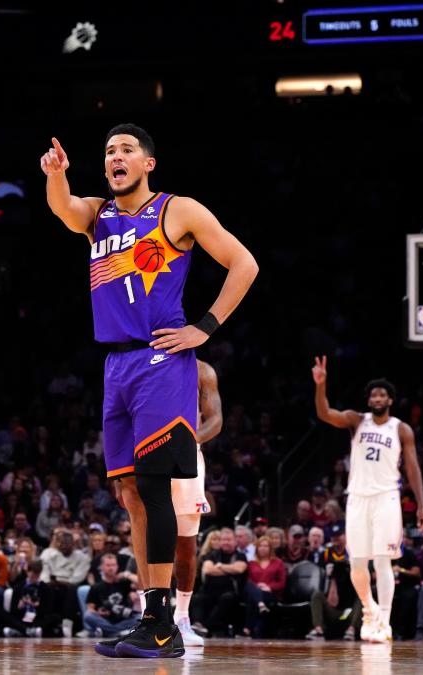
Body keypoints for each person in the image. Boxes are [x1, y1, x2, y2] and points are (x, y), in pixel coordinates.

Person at [42, 123, 258, 659]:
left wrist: (203, 328)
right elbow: (63, 208)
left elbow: (244, 263)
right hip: (116, 365)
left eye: (126, 150)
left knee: (156, 488)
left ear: (148, 164)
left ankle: (164, 625)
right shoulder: (98, 214)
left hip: (162, 360)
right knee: (130, 494)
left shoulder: (177, 209)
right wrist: (57, 175)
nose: (115, 157)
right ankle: (151, 615)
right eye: (109, 151)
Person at [312, 361, 423, 642]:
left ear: (390, 400)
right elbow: (325, 413)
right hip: (357, 499)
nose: (377, 399)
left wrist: (422, 505)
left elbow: (412, 468)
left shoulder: (401, 429)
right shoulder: (356, 420)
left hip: (386, 497)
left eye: (382, 395)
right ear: (369, 400)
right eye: (373, 395)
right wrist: (320, 385)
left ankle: (384, 621)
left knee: (383, 562)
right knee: (357, 565)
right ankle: (368, 610)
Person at [170, 359, 222, 646]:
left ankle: (182, 617)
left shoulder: (202, 370)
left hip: (189, 457)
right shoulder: (142, 361)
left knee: (187, 546)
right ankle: (149, 617)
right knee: (149, 539)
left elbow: (216, 419)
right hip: (149, 454)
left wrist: (193, 440)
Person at [83, 553, 139, 638]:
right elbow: (90, 608)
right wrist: (99, 613)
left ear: (117, 566)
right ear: (101, 567)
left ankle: (108, 632)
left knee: (139, 617)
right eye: (108, 565)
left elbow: (141, 583)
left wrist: (126, 574)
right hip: (105, 620)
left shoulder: (124, 583)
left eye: (113, 565)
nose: (111, 568)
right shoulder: (96, 587)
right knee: (88, 616)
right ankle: (118, 633)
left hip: (123, 619)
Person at [242, 537, 286, 638]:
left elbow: (282, 583)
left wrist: (269, 586)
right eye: (260, 546)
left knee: (252, 598)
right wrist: (257, 588)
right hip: (254, 592)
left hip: (270, 594)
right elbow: (249, 581)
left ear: (270, 548)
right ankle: (261, 605)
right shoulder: (251, 563)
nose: (263, 548)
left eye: (266, 546)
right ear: (257, 548)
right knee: (249, 586)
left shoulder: (278, 563)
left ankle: (247, 628)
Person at [2, 560, 59, 638]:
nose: (33, 575)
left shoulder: (46, 588)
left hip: (37, 618)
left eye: (36, 573)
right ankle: (28, 631)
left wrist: (36, 605)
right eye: (31, 572)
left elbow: (48, 610)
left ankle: (21, 631)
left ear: (39, 573)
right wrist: (19, 606)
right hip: (21, 618)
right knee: (2, 614)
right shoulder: (18, 587)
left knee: (55, 617)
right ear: (27, 572)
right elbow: (13, 610)